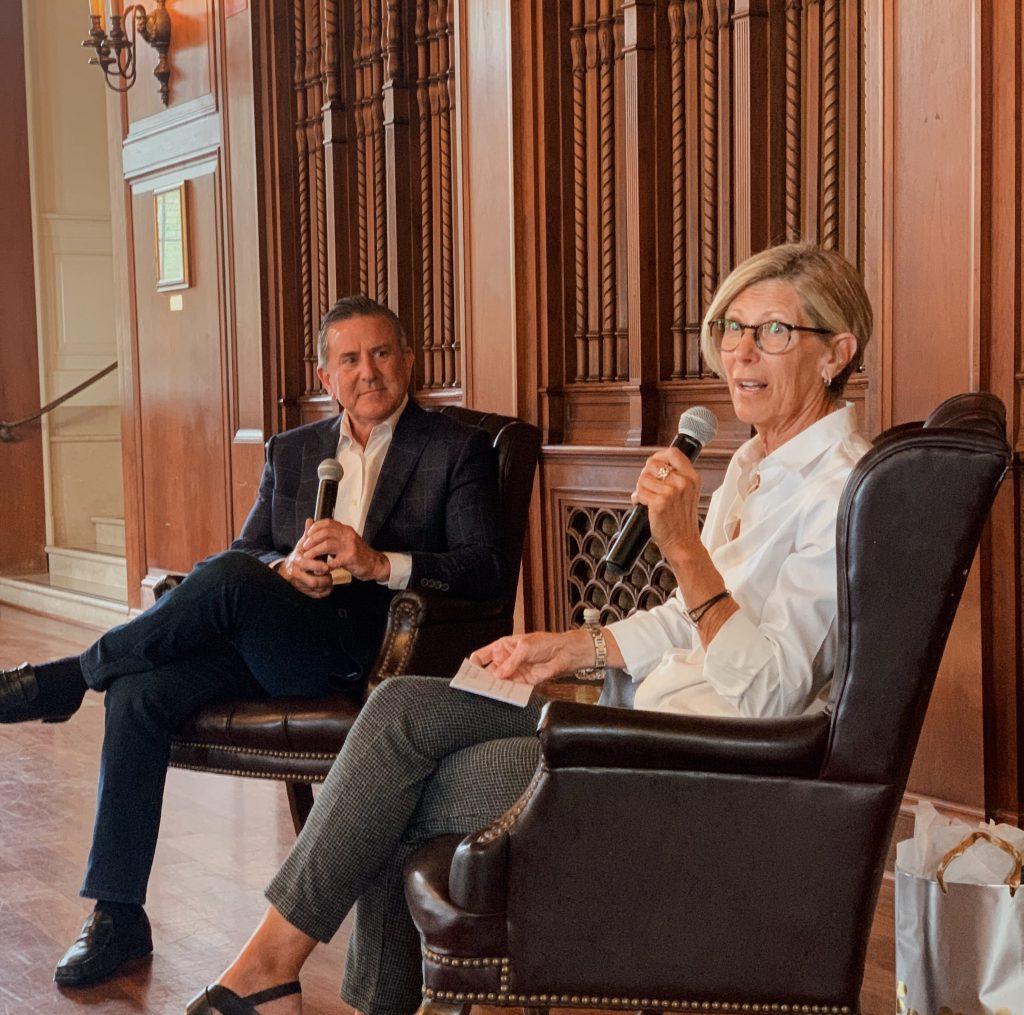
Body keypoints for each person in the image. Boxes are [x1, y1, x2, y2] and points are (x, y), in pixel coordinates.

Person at [186, 242, 874, 1015]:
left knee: (398, 784)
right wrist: (571, 646)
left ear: (836, 352)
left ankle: (276, 979)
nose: (742, 351)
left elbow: (769, 690)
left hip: (676, 758)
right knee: (401, 710)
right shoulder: (754, 460)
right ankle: (278, 974)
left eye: (773, 331)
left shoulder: (845, 488)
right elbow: (694, 617)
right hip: (630, 708)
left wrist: (682, 546)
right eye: (731, 327)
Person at [0, 295, 503, 989]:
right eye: (350, 359)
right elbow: (248, 553)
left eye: (383, 353)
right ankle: (118, 913)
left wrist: (377, 560)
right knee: (142, 687)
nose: (369, 371)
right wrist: (283, 568)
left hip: (367, 648)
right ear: (326, 375)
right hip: (272, 631)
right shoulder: (293, 451)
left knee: (226, 580)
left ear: (409, 360)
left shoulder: (455, 448)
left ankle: (65, 680)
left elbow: (484, 567)